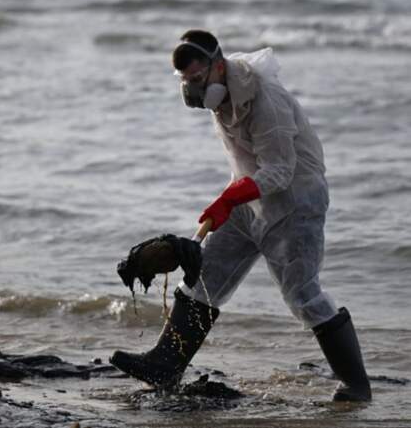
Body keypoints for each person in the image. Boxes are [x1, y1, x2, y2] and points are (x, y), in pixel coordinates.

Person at [110, 30, 372, 402]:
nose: (193, 90)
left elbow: (281, 170)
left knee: (304, 295)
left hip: (296, 202)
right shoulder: (222, 100)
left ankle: (357, 386)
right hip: (250, 200)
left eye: (198, 80)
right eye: (186, 82)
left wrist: (232, 197)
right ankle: (165, 365)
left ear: (219, 67)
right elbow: (247, 165)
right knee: (206, 276)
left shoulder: (267, 100)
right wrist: (224, 202)